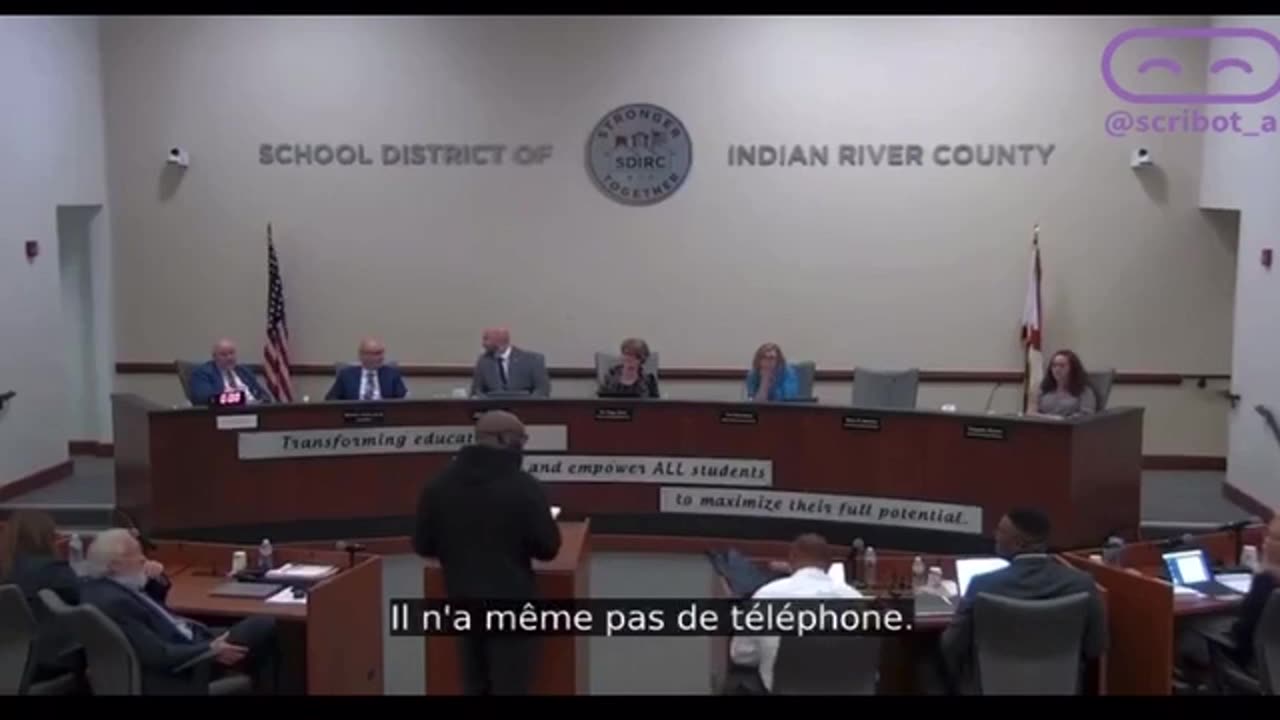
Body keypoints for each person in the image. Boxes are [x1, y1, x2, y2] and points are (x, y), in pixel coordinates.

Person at [412, 410, 562, 695]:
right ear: (506, 440)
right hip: (513, 606)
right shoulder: (525, 488)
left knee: (473, 685)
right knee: (511, 685)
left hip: (462, 601)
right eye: (522, 440)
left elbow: (422, 545)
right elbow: (548, 549)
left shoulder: (437, 486)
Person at [78, 529, 279, 695]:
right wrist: (211, 649)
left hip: (188, 640)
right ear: (114, 564)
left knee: (260, 632)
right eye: (135, 554)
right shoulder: (116, 602)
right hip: (184, 667)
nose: (143, 559)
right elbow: (159, 655)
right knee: (264, 624)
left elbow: (152, 608)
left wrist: (156, 579)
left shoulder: (106, 587)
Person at [937, 508, 1106, 694]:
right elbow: (1096, 646)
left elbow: (950, 645)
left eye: (1000, 531)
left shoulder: (982, 585)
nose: (995, 536)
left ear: (1018, 544)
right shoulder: (1082, 584)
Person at [725, 533, 860, 694]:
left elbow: (741, 654)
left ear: (791, 560)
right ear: (829, 564)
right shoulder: (854, 599)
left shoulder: (767, 595)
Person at [0, 510, 84, 685]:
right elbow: (89, 599)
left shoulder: (6, 571)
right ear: (47, 537)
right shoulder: (53, 571)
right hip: (47, 663)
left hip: (11, 666)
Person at [1229, 514, 1280, 666]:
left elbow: (1245, 631)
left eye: (1269, 536)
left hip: (1261, 667)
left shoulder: (1266, 581)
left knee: (1195, 628)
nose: (1264, 541)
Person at [469, 327, 551, 398]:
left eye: (486, 339)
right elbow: (476, 391)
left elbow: (542, 390)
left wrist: (527, 405)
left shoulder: (533, 360)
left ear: (499, 341)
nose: (483, 344)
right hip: (493, 410)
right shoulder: (483, 361)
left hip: (525, 409)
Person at [188, 339, 273, 406]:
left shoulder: (243, 371)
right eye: (224, 355)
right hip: (224, 416)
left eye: (232, 353)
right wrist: (239, 399)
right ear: (214, 357)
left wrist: (261, 401)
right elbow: (203, 399)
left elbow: (264, 396)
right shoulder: (203, 373)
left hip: (253, 412)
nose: (229, 358)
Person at [325, 337, 409, 401]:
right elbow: (330, 400)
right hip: (353, 418)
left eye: (382, 353)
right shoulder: (346, 375)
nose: (382, 357)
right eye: (376, 354)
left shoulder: (392, 374)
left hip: (384, 419)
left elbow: (403, 401)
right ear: (362, 355)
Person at [1032, 349, 1097, 418]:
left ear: (1073, 369)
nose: (1057, 369)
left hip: (1069, 427)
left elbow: (1086, 415)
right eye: (1054, 365)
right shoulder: (1044, 388)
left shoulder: (1084, 391)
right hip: (1041, 426)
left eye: (1062, 366)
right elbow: (1031, 413)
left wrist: (1065, 420)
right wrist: (1052, 418)